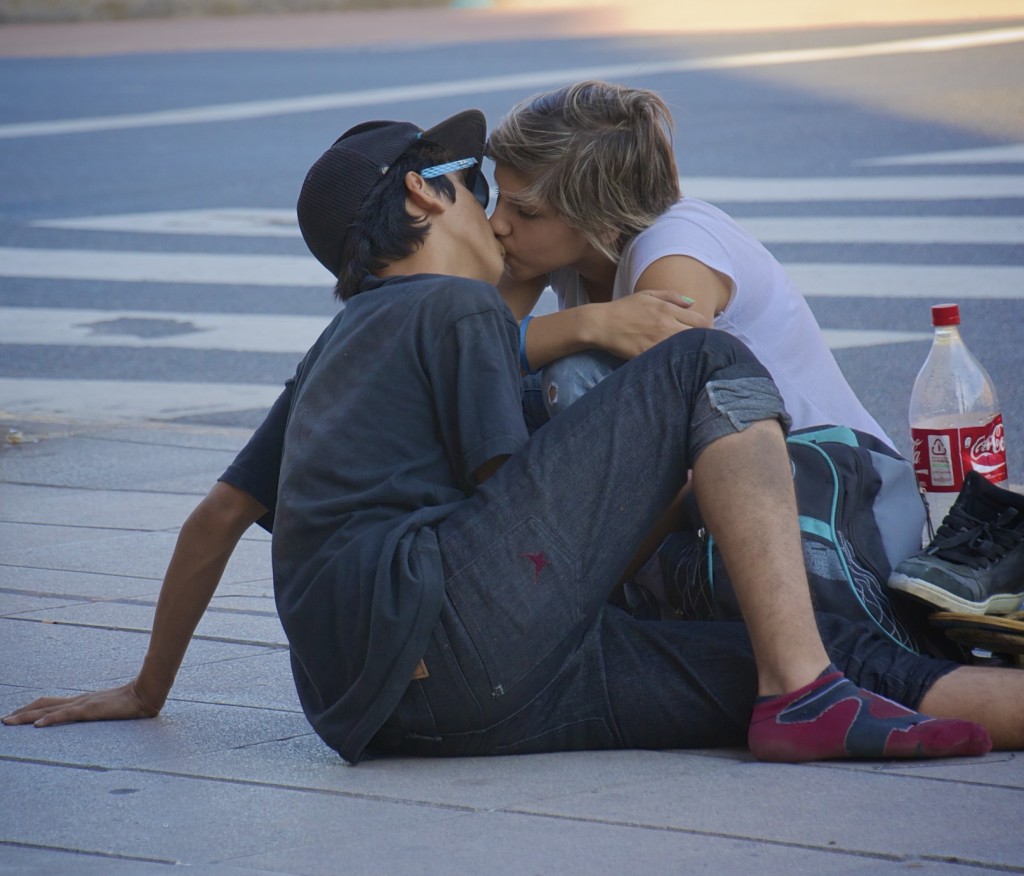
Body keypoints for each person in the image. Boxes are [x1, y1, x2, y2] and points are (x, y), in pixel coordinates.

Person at [7, 109, 1022, 767]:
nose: (492, 216)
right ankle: (805, 692)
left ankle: (807, 686)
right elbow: (528, 500)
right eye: (477, 187)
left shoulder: (335, 352)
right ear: (422, 192)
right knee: (700, 363)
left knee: (781, 653)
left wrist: (147, 690)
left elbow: (215, 519)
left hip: (386, 715)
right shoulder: (449, 314)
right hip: (454, 629)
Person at [486, 80, 891, 445]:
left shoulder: (675, 254)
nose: (497, 224)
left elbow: (672, 421)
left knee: (574, 377)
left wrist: (573, 331)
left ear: (602, 222)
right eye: (499, 198)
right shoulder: (554, 244)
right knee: (496, 389)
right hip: (731, 469)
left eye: (526, 212)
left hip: (828, 482)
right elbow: (473, 348)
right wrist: (589, 324)